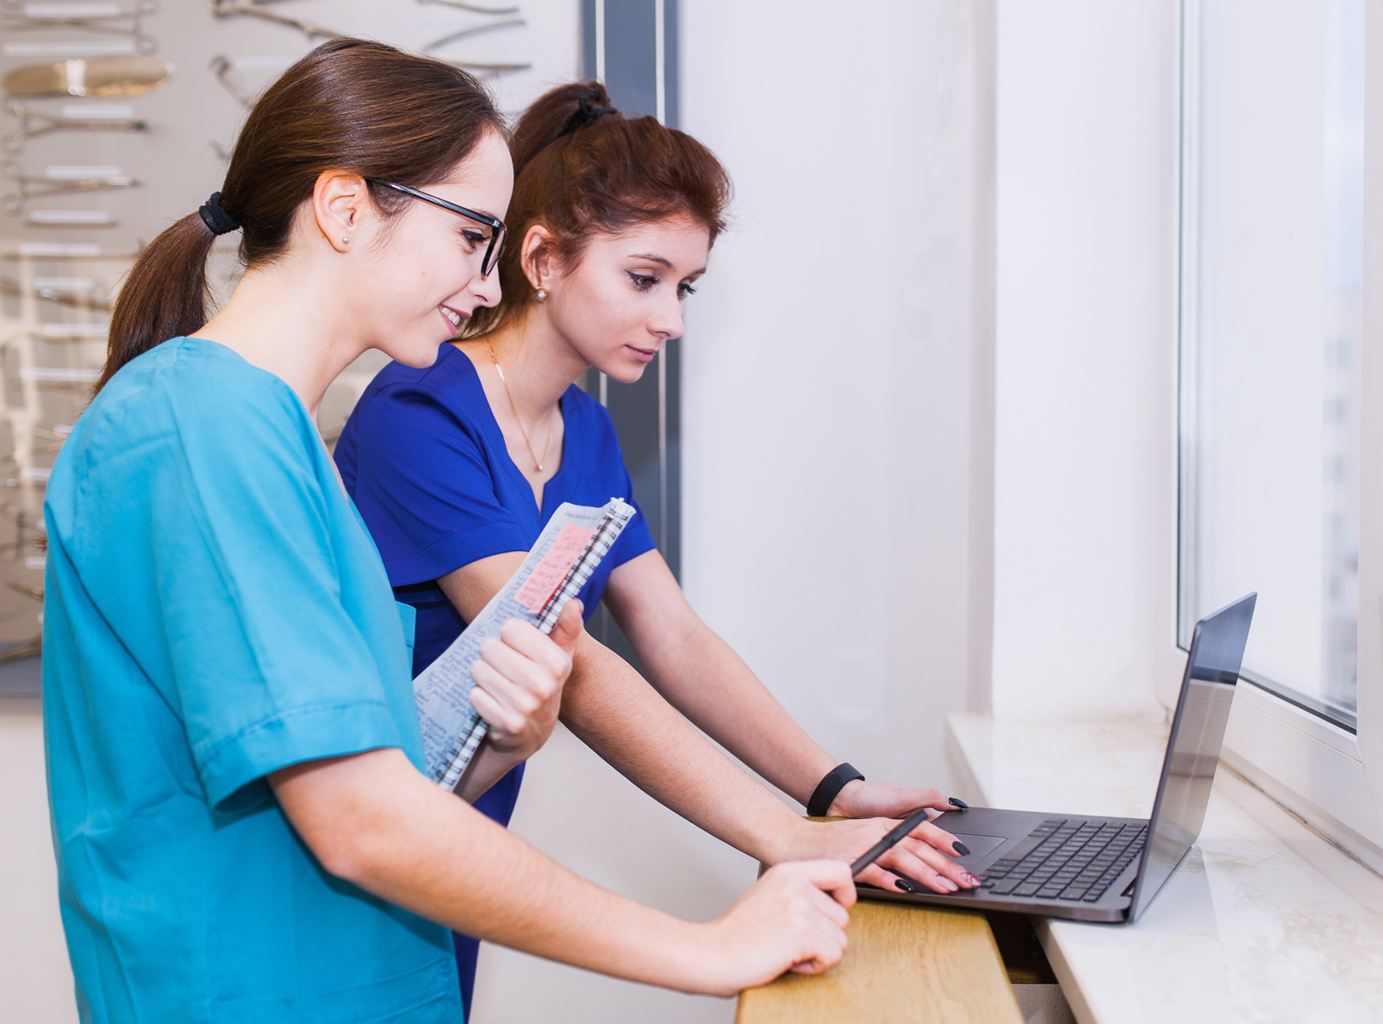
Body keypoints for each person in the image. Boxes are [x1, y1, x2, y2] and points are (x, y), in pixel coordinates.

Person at [41, 40, 858, 1024]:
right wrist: (707, 948)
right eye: (473, 237)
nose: (486, 281)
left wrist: (505, 738)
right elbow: (360, 824)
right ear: (344, 210)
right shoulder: (202, 429)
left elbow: (384, 774)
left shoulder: (279, 440)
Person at [333, 81, 980, 1015]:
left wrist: (833, 791)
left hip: (460, 837)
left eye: (685, 287)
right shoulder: (419, 413)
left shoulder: (587, 434)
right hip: (367, 844)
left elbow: (671, 632)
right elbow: (573, 663)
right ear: (544, 257)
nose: (672, 319)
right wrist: (781, 836)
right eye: (644, 279)